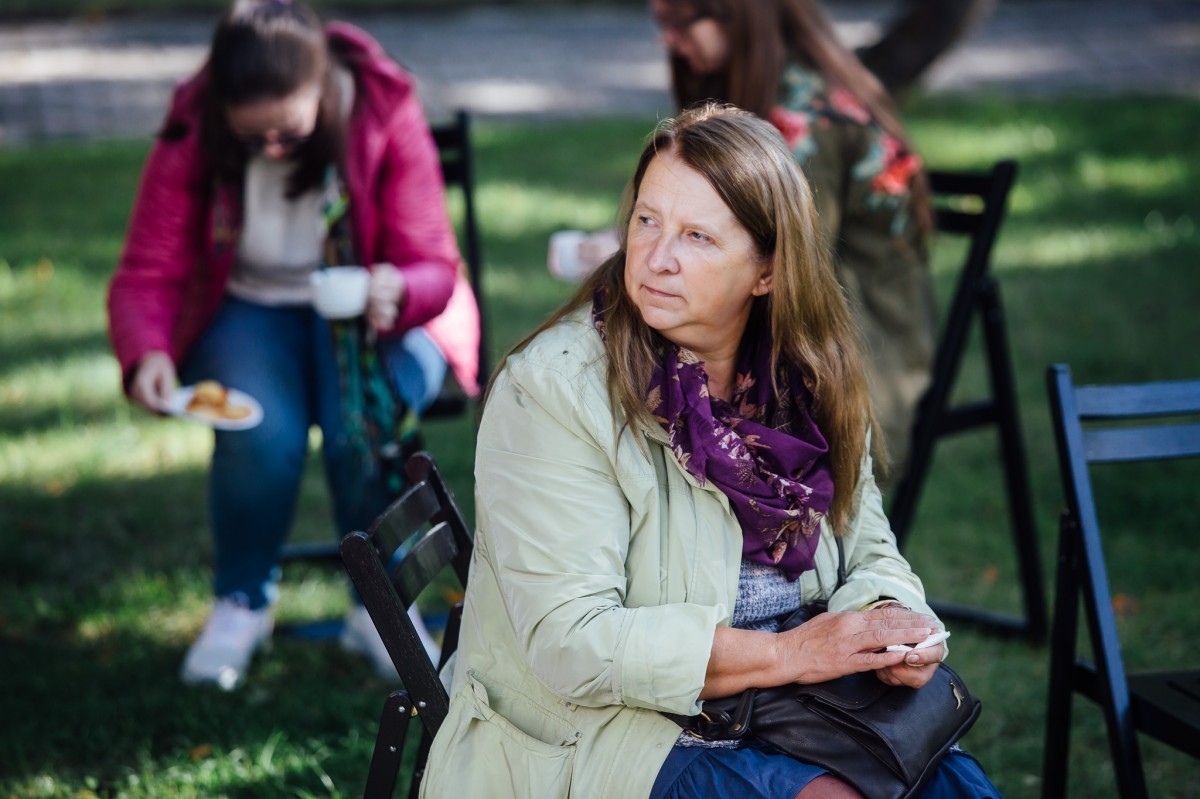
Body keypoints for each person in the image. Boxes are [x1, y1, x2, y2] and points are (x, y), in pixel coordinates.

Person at [423, 106, 999, 798]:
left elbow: (868, 544)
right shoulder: (552, 392)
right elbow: (572, 644)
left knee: (958, 789)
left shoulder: (807, 378)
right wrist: (792, 652)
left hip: (784, 704)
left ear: (766, 269)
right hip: (607, 732)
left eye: (697, 236)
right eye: (646, 220)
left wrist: (890, 624)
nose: (657, 257)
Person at [106, 0, 479, 689]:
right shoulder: (197, 121)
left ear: (323, 93)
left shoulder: (382, 105)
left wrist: (394, 286)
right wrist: (147, 352)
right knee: (260, 430)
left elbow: (433, 261)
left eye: (287, 131)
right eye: (253, 139)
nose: (272, 149)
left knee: (357, 423)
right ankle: (241, 601)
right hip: (252, 308)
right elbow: (148, 267)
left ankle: (382, 608)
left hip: (387, 309)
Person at [553, 0, 937, 481]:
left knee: (628, 373)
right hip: (790, 324)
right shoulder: (773, 87)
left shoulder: (801, 117)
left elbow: (798, 265)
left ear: (735, 14)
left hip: (853, 348)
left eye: (679, 22)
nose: (667, 39)